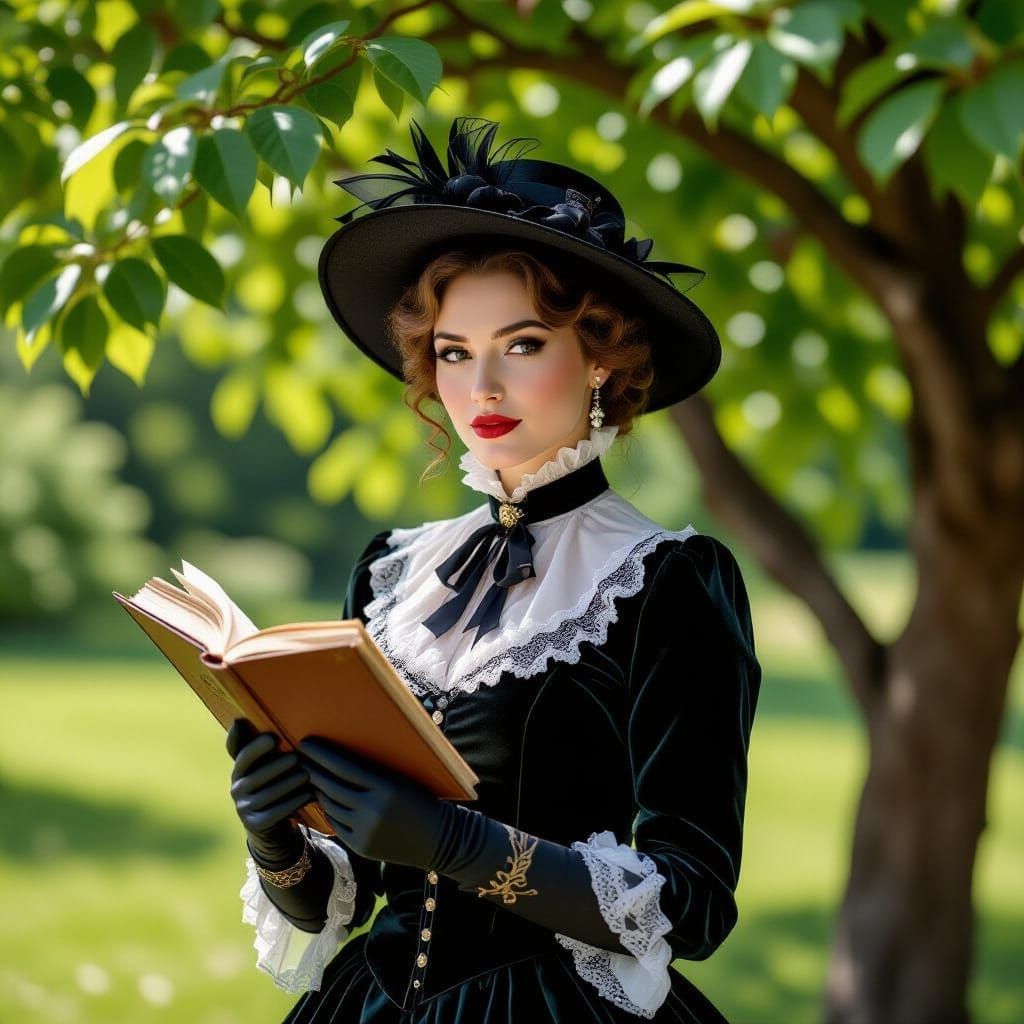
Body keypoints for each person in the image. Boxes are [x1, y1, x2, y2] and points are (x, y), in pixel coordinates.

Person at [225, 116, 761, 1023]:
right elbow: (339, 896)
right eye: (452, 352)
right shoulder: (391, 572)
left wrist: (458, 844)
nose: (480, 390)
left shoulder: (667, 581)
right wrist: (279, 838)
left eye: (521, 345)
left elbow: (692, 899)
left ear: (600, 358)